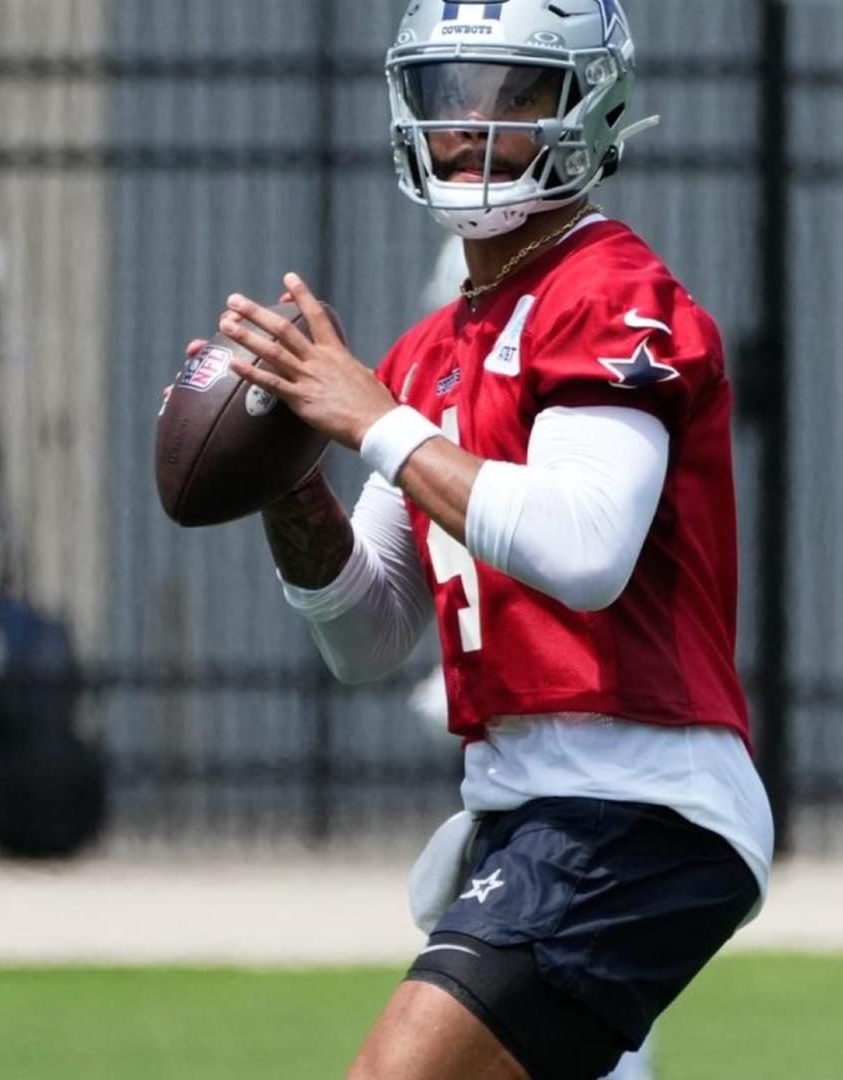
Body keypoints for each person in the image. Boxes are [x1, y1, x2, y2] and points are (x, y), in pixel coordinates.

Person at [177, 1, 771, 1076]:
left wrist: (374, 423)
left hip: (635, 802)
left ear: (592, 105)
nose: (472, 127)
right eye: (450, 94)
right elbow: (368, 637)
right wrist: (290, 481)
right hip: (524, 809)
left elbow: (586, 553)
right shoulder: (425, 353)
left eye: (513, 93)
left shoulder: (612, 293)